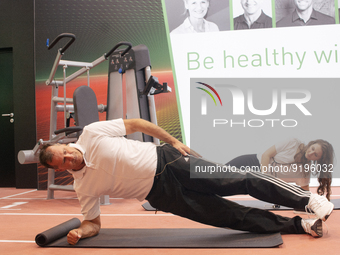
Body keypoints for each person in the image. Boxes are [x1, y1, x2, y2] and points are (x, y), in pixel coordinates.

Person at [39, 118, 334, 245]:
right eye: (62, 162)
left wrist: (174, 141)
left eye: (64, 152)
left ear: (65, 144)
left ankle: (307, 201)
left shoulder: (91, 133)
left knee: (236, 179)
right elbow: (93, 223)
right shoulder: (83, 186)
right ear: (60, 170)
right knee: (228, 216)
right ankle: (300, 225)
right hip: (161, 195)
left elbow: (137, 125)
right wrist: (82, 232)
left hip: (170, 162)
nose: (68, 158)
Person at [225, 138, 334, 200]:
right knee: (216, 176)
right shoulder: (293, 143)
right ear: (311, 144)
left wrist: (317, 203)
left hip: (258, 182)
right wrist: (263, 179)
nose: (311, 153)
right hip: (251, 162)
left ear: (318, 160)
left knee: (225, 188)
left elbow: (305, 194)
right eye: (312, 148)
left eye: (315, 155)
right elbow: (266, 155)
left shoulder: (305, 171)